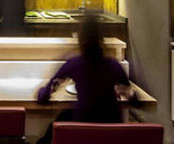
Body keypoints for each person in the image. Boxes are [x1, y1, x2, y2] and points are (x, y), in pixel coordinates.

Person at [35, 14, 134, 144]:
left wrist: (41, 91)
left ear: (80, 39)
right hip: (112, 131)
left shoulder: (74, 64)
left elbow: (44, 97)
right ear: (101, 40)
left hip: (83, 129)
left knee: (58, 123)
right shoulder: (113, 65)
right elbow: (133, 97)